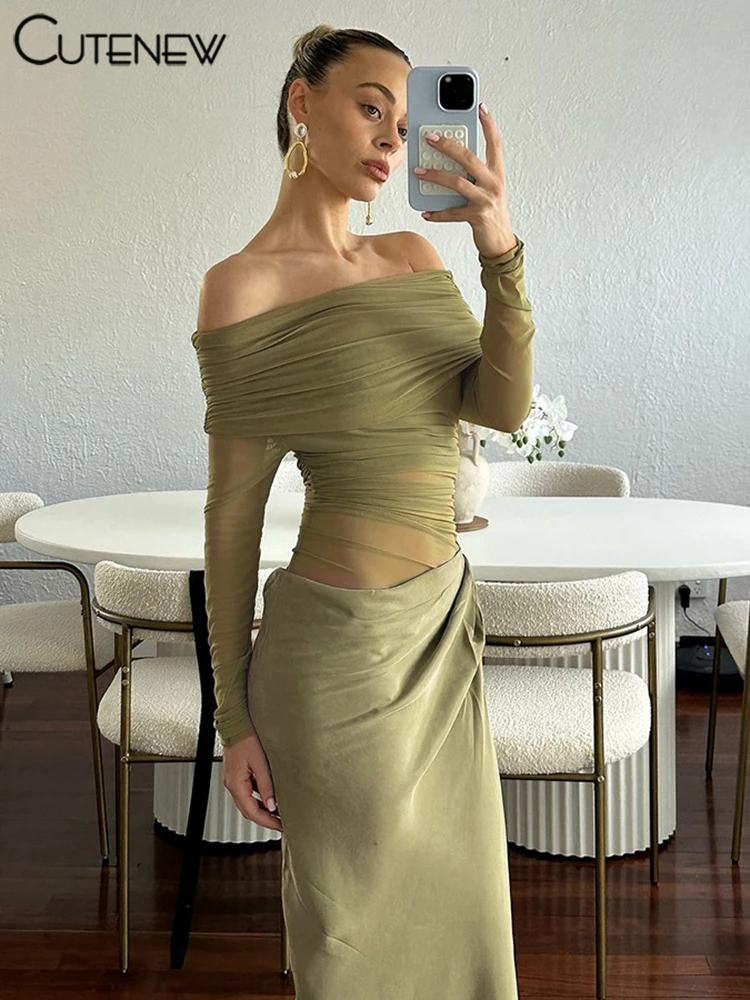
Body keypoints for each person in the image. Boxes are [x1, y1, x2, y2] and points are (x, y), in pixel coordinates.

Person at [191, 23, 535, 1000]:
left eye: (403, 118)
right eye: (370, 107)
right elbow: (232, 520)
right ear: (302, 104)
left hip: (442, 634)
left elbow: (502, 407)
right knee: (351, 949)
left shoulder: (415, 255)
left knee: (467, 927)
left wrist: (497, 243)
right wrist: (233, 719)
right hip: (336, 663)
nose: (392, 137)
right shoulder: (240, 288)